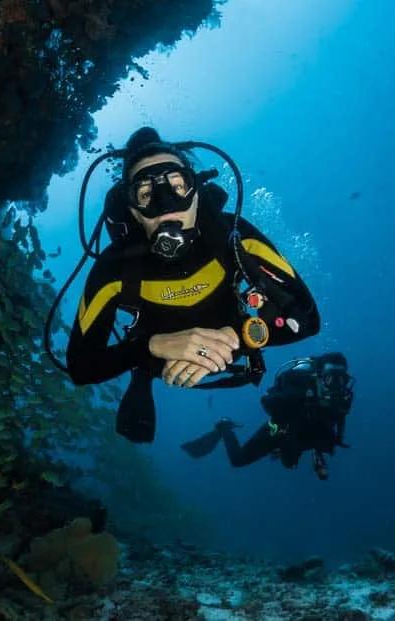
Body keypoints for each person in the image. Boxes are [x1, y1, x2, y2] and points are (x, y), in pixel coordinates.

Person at [65, 127, 320, 442]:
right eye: (145, 194)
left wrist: (237, 337)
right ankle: (142, 375)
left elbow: (307, 318)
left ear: (197, 191)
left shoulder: (235, 237)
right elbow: (81, 367)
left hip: (236, 344)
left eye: (177, 186)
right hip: (158, 361)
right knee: (143, 366)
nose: (165, 204)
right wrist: (150, 346)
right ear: (132, 210)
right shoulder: (114, 269)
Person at [181, 353, 354, 480]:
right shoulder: (297, 389)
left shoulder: (344, 397)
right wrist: (292, 405)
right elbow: (266, 401)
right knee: (238, 460)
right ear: (320, 377)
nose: (338, 386)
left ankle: (311, 454)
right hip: (281, 430)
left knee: (294, 459)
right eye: (332, 379)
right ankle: (224, 427)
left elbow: (339, 419)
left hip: (310, 433)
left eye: (342, 380)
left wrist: (330, 442)